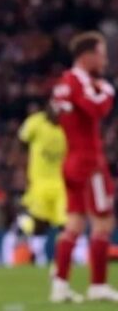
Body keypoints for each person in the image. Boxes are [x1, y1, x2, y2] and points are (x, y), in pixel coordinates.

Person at [49, 31, 117, 303]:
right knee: (103, 222)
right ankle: (98, 285)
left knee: (74, 223)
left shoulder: (64, 82)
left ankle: (60, 285)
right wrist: (109, 90)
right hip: (89, 162)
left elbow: (55, 114)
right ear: (87, 56)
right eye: (101, 54)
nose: (105, 60)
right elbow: (97, 108)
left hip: (72, 159)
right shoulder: (80, 81)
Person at [15, 103, 66, 240]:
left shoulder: (69, 127)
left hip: (62, 183)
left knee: (66, 224)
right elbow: (20, 144)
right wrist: (20, 171)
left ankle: (63, 253)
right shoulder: (35, 123)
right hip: (39, 181)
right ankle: (21, 231)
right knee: (38, 224)